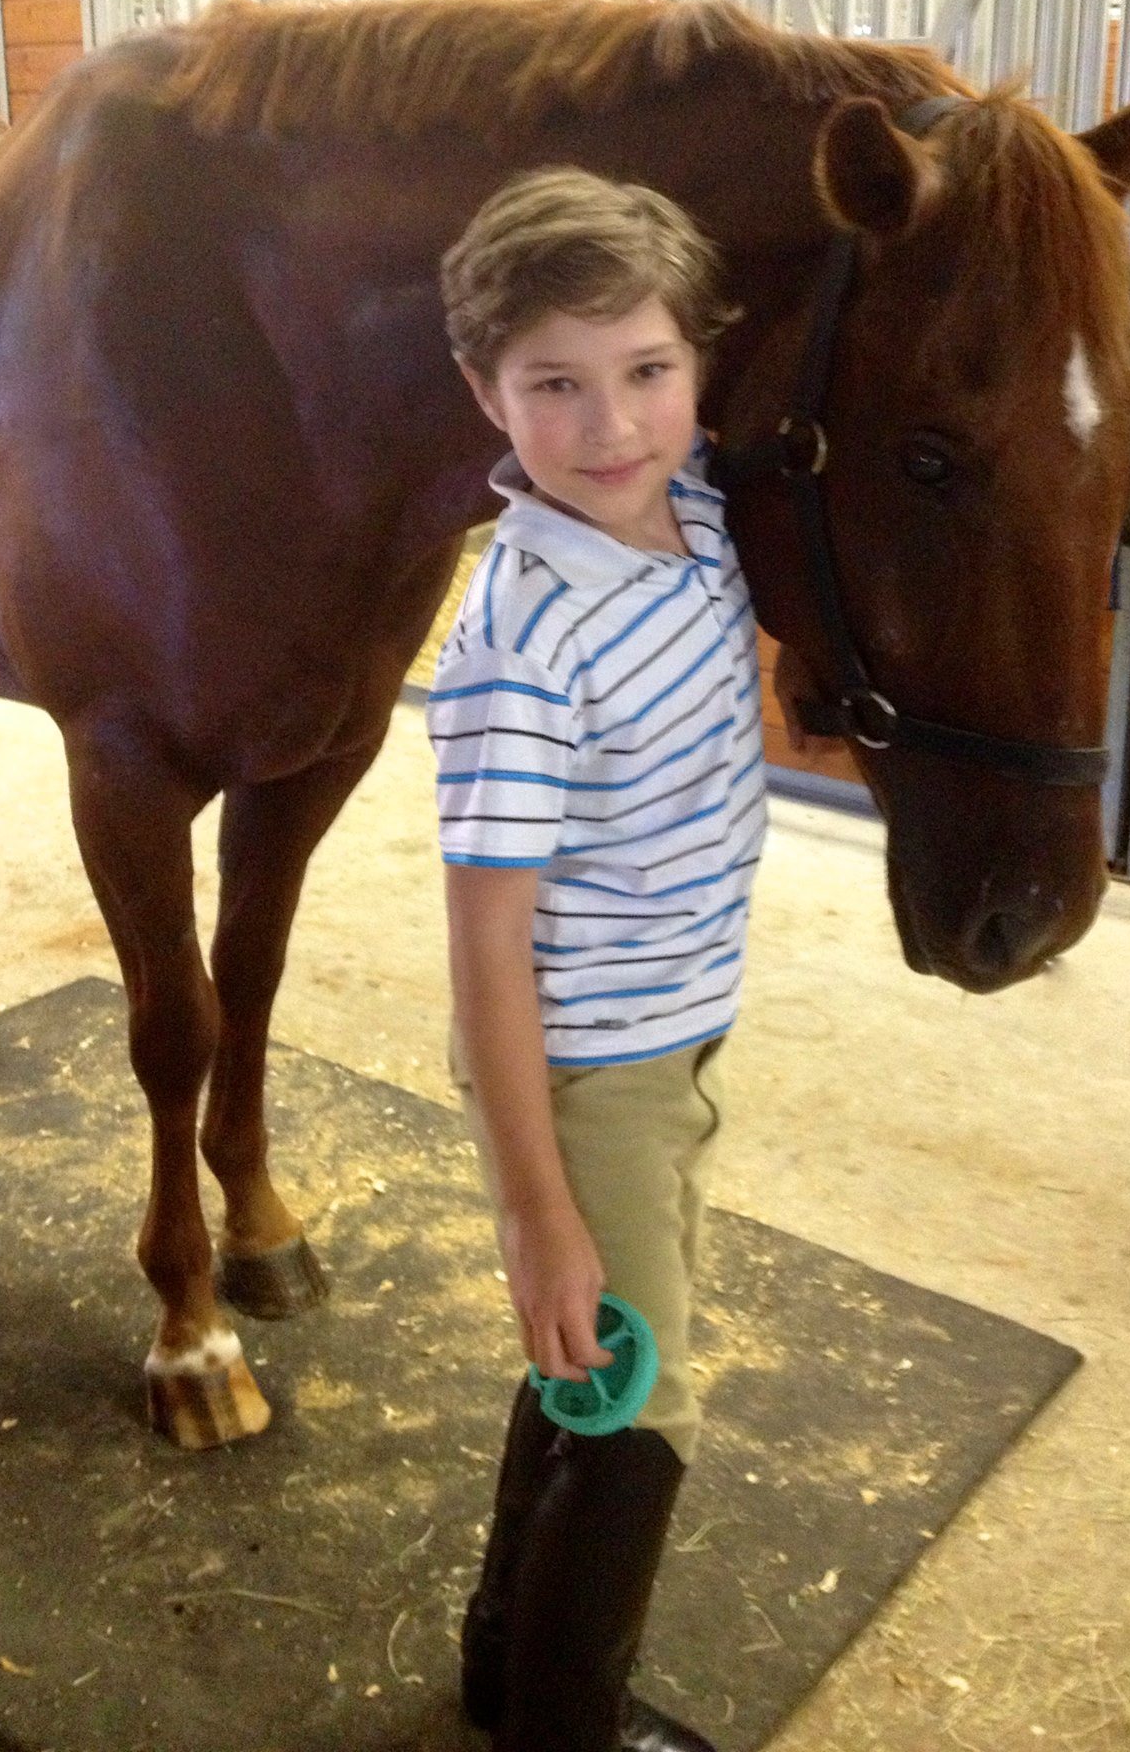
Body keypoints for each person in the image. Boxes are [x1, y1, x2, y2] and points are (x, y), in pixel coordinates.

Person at [428, 167, 767, 1752]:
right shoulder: (521, 631)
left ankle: (507, 1671)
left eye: (646, 370)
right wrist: (533, 1203)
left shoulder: (695, 513)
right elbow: (485, 939)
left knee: (591, 1357)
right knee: (644, 1402)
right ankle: (567, 1730)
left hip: (676, 1032)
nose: (610, 423)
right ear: (486, 394)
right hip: (583, 1067)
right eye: (553, 384)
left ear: (699, 365)